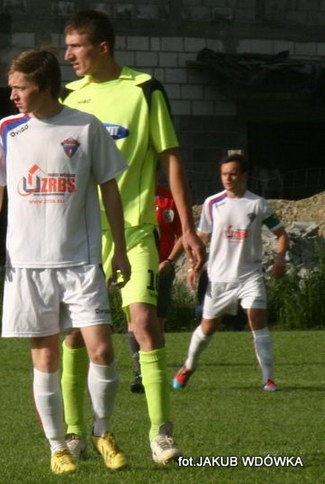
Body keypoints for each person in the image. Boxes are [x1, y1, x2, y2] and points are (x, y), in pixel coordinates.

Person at [60, 10, 207, 465]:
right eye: (67, 46)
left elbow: (171, 158)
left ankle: (161, 434)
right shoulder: (67, 96)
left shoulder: (144, 89)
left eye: (76, 46)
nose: (68, 56)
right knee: (74, 336)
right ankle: (74, 432)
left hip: (136, 231)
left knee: (143, 322)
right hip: (81, 235)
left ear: (103, 47)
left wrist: (187, 227)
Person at [0, 47, 131, 474]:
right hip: (27, 265)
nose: (12, 95)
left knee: (102, 349)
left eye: (20, 87)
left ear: (44, 86)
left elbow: (110, 188)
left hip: (81, 262)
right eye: (11, 87)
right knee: (45, 359)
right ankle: (57, 447)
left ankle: (102, 431)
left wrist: (119, 247)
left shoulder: (86, 126)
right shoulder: (7, 129)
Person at [173, 153, 288, 392]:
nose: (228, 178)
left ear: (243, 175)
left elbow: (281, 234)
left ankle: (268, 379)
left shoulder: (258, 204)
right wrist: (193, 266)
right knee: (208, 327)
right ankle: (188, 367)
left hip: (250, 275)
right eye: (224, 174)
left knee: (257, 319)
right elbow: (201, 238)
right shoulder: (212, 203)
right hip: (219, 277)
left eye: (233, 174)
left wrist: (279, 259)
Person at [129, 183, 183, 394]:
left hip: (162, 269)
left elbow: (182, 235)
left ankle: (154, 372)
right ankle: (139, 374)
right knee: (134, 321)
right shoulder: (130, 194)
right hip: (136, 268)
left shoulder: (169, 199)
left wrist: (169, 261)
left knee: (157, 324)